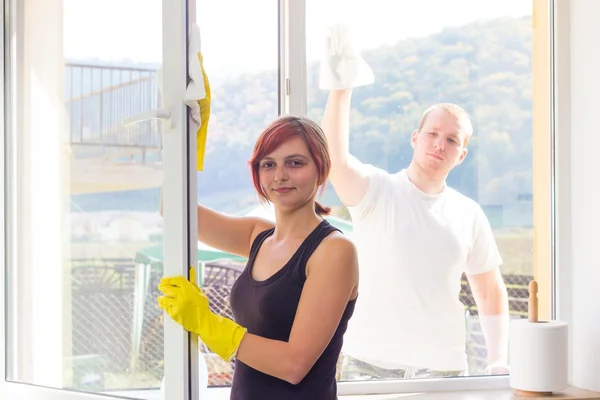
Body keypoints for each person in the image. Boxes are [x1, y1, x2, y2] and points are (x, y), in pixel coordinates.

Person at [318, 23, 510, 379]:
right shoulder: (377, 192)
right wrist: (341, 86)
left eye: (451, 140)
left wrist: (499, 358)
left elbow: (489, 290)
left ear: (462, 155)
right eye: (433, 134)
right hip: (369, 366)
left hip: (443, 370)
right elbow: (335, 159)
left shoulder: (469, 213)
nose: (440, 144)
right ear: (415, 138)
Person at [157, 115, 359, 399]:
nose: (280, 175)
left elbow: (294, 364)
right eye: (268, 164)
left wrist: (205, 322)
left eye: (295, 162)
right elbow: (173, 205)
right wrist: (188, 137)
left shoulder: (334, 250)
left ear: (321, 170)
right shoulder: (258, 236)